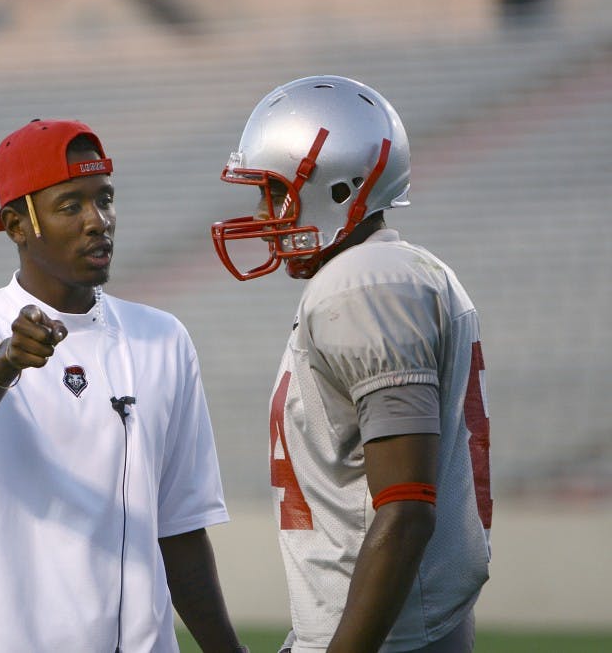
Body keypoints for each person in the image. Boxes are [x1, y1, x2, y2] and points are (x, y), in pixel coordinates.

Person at [0, 118, 247, 652]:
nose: (98, 221)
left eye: (104, 199)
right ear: (18, 225)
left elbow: (179, 529)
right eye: (71, 205)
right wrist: (5, 360)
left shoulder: (163, 338)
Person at [210, 76, 492, 653]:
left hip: (383, 635)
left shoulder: (364, 284)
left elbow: (407, 507)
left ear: (338, 188)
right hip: (400, 626)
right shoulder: (396, 273)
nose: (265, 213)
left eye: (274, 191)